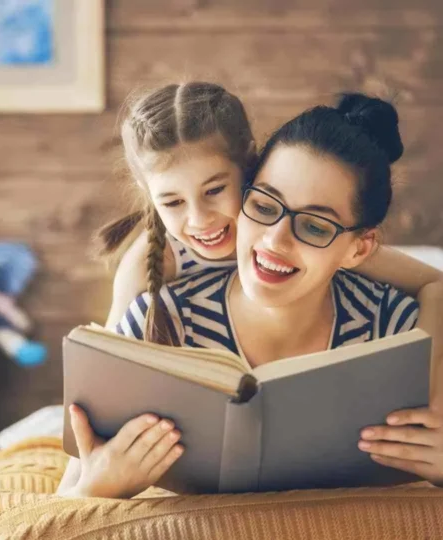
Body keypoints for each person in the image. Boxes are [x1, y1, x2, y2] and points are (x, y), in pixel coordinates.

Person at [57, 92, 443, 499]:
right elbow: (65, 502)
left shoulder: (397, 326)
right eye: (263, 204)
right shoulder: (156, 311)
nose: (276, 241)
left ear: (360, 249)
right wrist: (96, 490)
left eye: (314, 227)